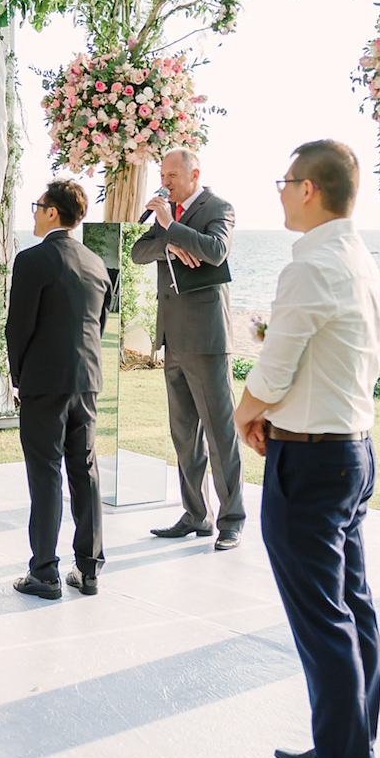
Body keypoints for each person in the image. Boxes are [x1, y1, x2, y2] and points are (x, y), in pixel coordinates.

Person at [233, 139, 380, 758]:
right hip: (351, 449)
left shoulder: (313, 265)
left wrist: (246, 415)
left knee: (324, 621)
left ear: (307, 191)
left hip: (314, 463)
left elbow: (275, 365)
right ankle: (346, 747)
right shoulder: (357, 257)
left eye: (283, 181)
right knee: (351, 610)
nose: (279, 192)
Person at [130, 147, 246, 550]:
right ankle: (197, 515)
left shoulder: (219, 207)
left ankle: (232, 519)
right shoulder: (167, 210)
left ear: (194, 174)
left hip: (207, 339)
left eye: (172, 175)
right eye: (162, 174)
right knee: (184, 435)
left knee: (219, 432)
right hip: (173, 339)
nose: (165, 182)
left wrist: (172, 228)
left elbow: (216, 251)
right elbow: (136, 252)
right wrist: (167, 244)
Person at [7, 179, 112, 599]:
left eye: (38, 206)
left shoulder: (33, 260)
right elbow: (98, 326)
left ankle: (44, 573)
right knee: (84, 472)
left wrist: (18, 379)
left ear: (53, 212)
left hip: (44, 383)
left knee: (46, 473)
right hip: (86, 381)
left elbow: (20, 327)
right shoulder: (96, 263)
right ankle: (88, 571)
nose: (33, 212)